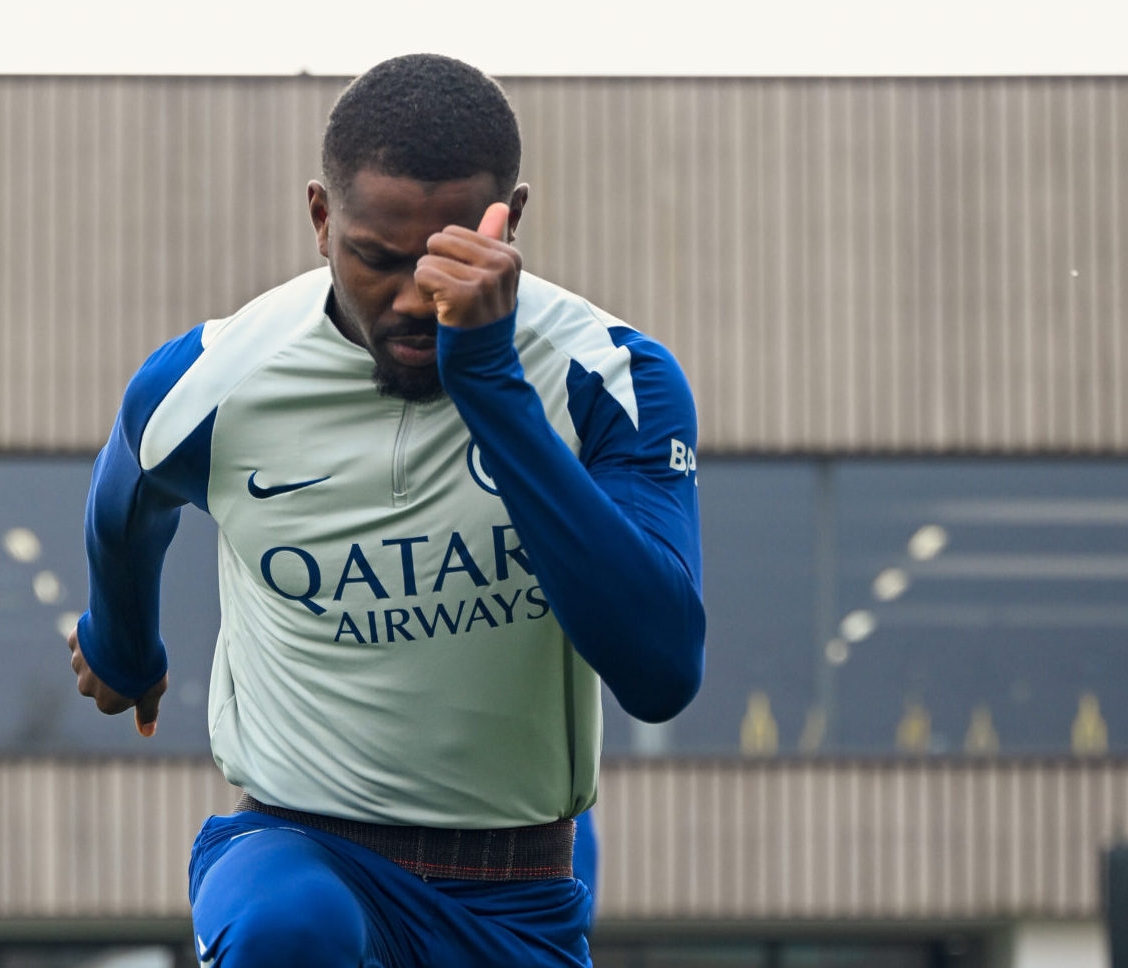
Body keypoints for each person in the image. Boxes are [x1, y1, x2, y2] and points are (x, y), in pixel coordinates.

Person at [68, 53, 705, 968]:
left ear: (511, 220)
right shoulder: (213, 382)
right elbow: (123, 507)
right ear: (321, 220)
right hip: (299, 849)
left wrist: (489, 384)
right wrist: (123, 643)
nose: (414, 299)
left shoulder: (612, 380)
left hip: (515, 901)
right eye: (376, 258)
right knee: (289, 934)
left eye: (446, 259)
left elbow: (661, 672)